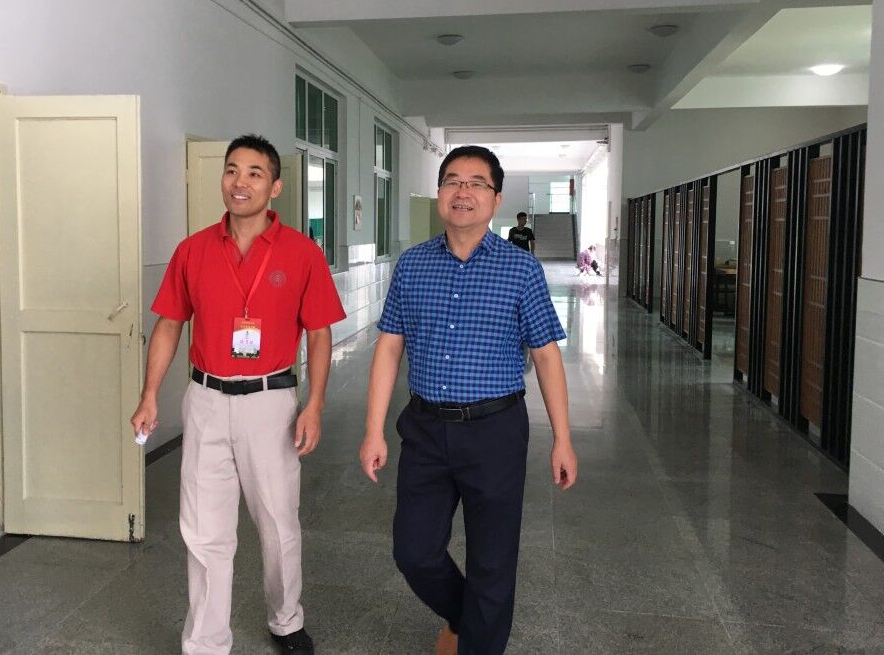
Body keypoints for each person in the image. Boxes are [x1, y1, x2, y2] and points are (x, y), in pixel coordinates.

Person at [130, 134, 346, 655]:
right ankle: (205, 641)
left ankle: (286, 620)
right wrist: (150, 394)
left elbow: (319, 334)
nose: (239, 182)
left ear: (275, 186)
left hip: (271, 403)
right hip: (205, 399)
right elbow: (169, 324)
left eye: (254, 172)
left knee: (277, 523)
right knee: (204, 530)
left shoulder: (302, 253)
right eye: (231, 170)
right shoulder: (193, 250)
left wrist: (315, 405)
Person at [359, 145, 577, 655]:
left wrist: (563, 439)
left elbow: (546, 356)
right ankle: (464, 617)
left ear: (496, 199)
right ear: (439, 193)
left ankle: (476, 640)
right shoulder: (412, 265)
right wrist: (373, 431)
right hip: (425, 429)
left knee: (492, 561)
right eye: (452, 181)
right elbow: (389, 348)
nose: (463, 192)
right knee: (414, 552)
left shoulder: (521, 270)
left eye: (477, 183)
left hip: (495, 431)